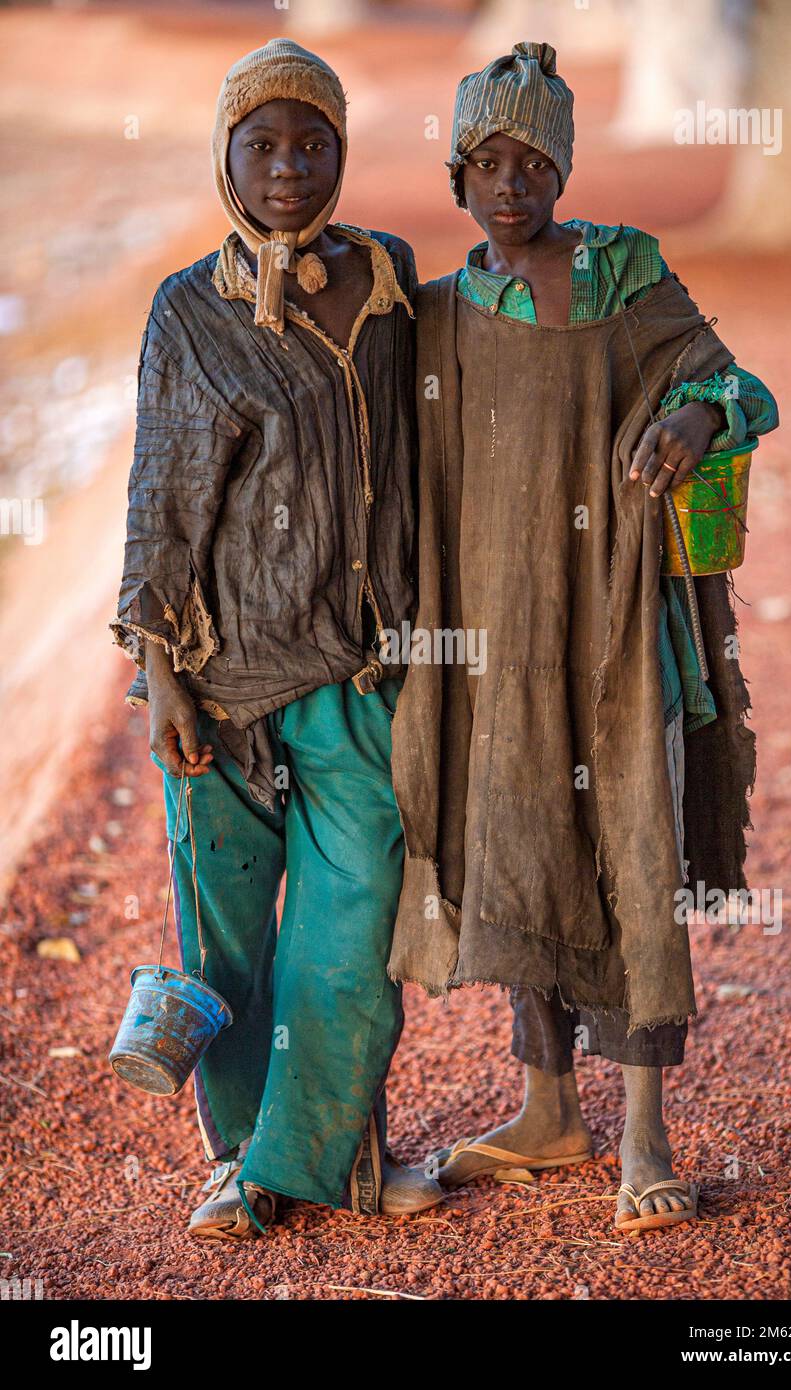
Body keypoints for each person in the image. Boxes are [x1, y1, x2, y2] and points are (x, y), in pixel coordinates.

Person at [386, 41, 778, 1233]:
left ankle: (645, 1138)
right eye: (488, 161)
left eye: (534, 159)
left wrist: (697, 410)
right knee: (522, 843)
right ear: (456, 178)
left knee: (629, 846)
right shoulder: (442, 316)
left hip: (615, 631)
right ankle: (548, 1110)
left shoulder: (624, 278)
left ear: (561, 166)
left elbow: (742, 385)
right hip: (493, 645)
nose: (512, 182)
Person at [111, 38, 441, 1238]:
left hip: (360, 674)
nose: (290, 167)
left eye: (313, 143)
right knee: (232, 942)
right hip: (222, 681)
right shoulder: (189, 312)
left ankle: (305, 1159)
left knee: (350, 942)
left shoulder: (391, 277)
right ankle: (252, 1159)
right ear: (226, 158)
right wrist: (162, 681)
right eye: (265, 145)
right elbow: (160, 502)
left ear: (343, 154)